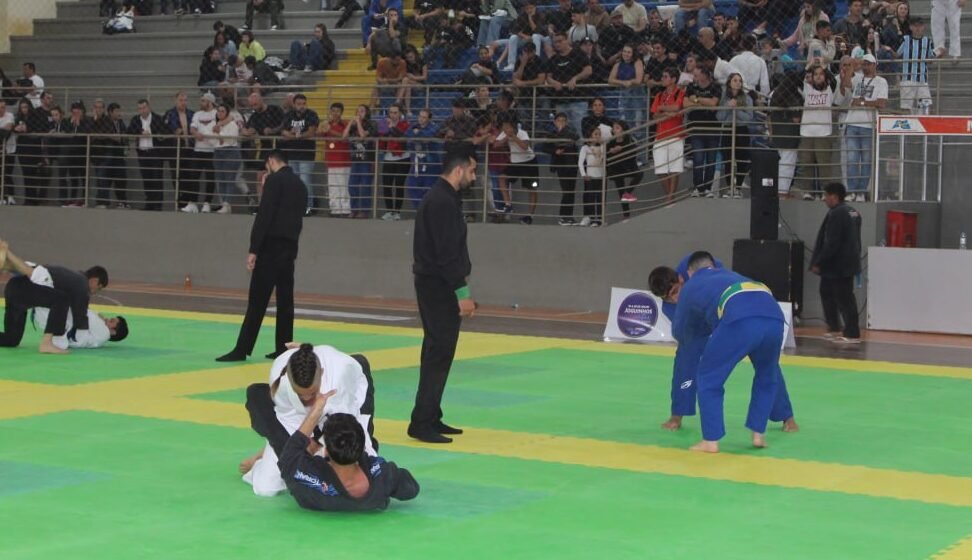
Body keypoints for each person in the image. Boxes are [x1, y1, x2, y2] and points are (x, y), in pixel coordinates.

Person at [672, 251, 796, 453]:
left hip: (740, 320)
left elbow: (682, 329)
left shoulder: (692, 285)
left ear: (688, 272)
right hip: (774, 317)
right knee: (767, 374)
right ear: (714, 265)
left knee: (708, 377)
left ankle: (711, 440)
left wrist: (688, 341)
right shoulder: (732, 275)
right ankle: (758, 433)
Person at [240, 342, 378, 496]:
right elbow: (290, 429)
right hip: (302, 419)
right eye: (300, 394)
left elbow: (345, 428)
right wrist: (306, 446)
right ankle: (263, 458)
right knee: (267, 488)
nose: (306, 398)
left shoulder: (338, 379)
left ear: (322, 373)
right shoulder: (280, 384)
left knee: (358, 464)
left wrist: (318, 444)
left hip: (349, 403)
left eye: (312, 393)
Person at [408, 147, 478, 444]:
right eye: (472, 171)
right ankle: (422, 421)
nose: (474, 177)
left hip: (435, 283)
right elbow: (447, 253)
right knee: (439, 352)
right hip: (439, 286)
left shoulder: (443, 199)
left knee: (438, 351)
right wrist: (462, 292)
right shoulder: (442, 202)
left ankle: (430, 414)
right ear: (459, 170)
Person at [246, 394, 419, 511]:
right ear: (361, 448)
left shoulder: (309, 478)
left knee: (256, 394)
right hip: (344, 452)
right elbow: (411, 488)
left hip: (310, 445)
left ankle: (263, 454)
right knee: (359, 382)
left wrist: (314, 415)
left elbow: (288, 457)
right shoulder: (382, 475)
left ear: (326, 450)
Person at [216, 150, 307, 362]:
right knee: (285, 300)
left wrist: (254, 249)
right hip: (290, 246)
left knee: (257, 300)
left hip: (270, 247)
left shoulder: (274, 181)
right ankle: (284, 347)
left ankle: (241, 349)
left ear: (271, 161)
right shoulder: (300, 184)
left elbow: (264, 215)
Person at [0, 240, 109, 354]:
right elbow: (80, 316)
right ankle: (47, 343)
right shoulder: (82, 285)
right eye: (99, 288)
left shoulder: (70, 277)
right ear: (95, 281)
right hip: (24, 289)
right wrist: (91, 327)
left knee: (11, 339)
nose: (96, 292)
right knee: (61, 300)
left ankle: (7, 260)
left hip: (14, 288)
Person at [810, 182, 862, 344]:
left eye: (826, 196)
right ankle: (834, 327)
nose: (824, 199)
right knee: (827, 293)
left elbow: (832, 242)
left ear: (834, 196)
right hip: (846, 262)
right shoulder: (853, 212)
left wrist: (819, 261)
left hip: (838, 264)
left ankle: (852, 332)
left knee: (844, 298)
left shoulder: (837, 214)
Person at [651, 67, 686, 203]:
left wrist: (662, 109)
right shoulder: (659, 95)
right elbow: (654, 115)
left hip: (676, 135)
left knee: (674, 168)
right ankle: (670, 197)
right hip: (660, 135)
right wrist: (667, 112)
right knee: (660, 169)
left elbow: (677, 108)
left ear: (673, 79)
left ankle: (670, 197)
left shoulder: (680, 93)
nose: (662, 79)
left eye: (665, 77)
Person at [320, 102, 352, 217]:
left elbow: (345, 137)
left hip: (343, 160)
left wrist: (330, 130)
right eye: (333, 111)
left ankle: (345, 209)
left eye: (337, 111)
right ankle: (335, 209)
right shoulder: (327, 123)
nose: (335, 113)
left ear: (341, 113)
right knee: (332, 186)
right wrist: (322, 127)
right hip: (331, 160)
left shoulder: (345, 124)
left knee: (343, 186)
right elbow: (318, 134)